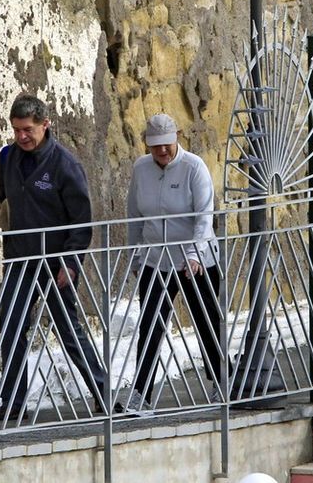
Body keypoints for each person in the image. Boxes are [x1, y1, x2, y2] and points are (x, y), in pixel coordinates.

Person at [0, 93, 118, 422]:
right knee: (11, 326)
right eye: (16, 130)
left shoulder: (66, 165)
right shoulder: (7, 158)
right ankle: (13, 402)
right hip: (20, 260)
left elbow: (81, 222)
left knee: (68, 330)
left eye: (28, 130)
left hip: (56, 264)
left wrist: (71, 262)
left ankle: (102, 391)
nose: (21, 136)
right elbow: (4, 199)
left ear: (45, 125)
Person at [126, 113, 222, 412]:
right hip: (156, 258)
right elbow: (134, 216)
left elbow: (204, 217)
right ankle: (141, 393)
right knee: (150, 324)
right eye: (156, 146)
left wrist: (194, 255)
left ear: (176, 138)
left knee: (206, 323)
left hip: (195, 260)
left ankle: (221, 382)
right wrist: (136, 254)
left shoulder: (194, 167)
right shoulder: (140, 169)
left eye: (167, 145)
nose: (162, 152)